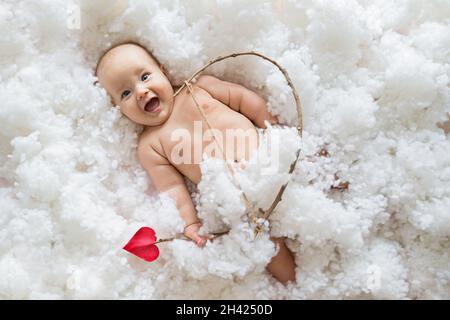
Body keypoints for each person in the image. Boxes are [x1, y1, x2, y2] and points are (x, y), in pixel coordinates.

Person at [95, 42, 296, 284]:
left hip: (271, 158)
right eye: (125, 93)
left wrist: (276, 127)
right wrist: (190, 223)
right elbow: (172, 189)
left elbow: (245, 100)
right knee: (268, 246)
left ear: (164, 72)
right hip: (243, 203)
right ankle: (300, 287)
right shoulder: (150, 145)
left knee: (314, 173)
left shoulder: (199, 88)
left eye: (145, 77)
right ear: (119, 110)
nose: (141, 91)